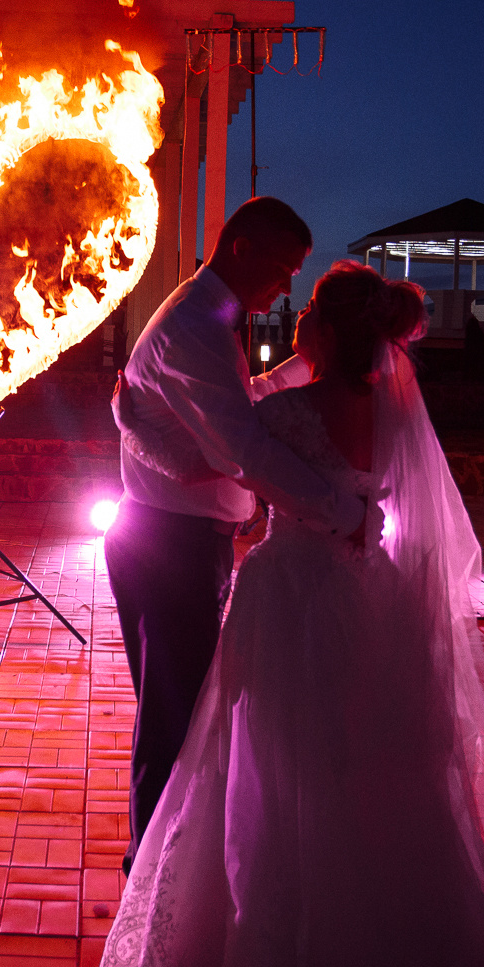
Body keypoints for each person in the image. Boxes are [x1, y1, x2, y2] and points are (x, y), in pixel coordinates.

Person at [95, 261, 484, 967]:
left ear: (318, 329)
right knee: (371, 769)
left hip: (289, 597)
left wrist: (130, 413)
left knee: (275, 769)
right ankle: (399, 957)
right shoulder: (392, 411)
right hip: (369, 596)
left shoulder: (285, 417)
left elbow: (218, 468)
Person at [107, 197, 374, 876]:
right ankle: (154, 869)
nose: (287, 288)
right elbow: (244, 449)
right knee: (176, 715)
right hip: (171, 545)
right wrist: (341, 513)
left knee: (180, 709)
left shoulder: (210, 317)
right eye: (284, 269)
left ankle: (160, 857)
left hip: (176, 537)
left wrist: (292, 372)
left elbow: (232, 405)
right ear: (242, 249)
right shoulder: (197, 326)